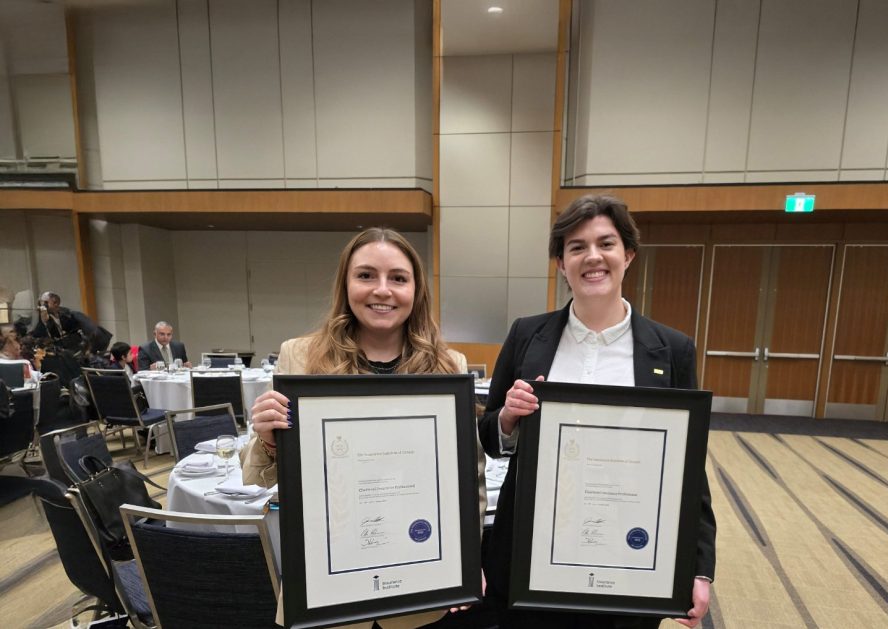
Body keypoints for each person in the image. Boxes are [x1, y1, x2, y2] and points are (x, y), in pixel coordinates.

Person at [478, 195, 716, 629]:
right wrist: (508, 419)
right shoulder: (527, 335)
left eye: (606, 244)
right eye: (576, 247)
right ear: (560, 263)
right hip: (533, 546)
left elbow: (688, 467)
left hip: (629, 549)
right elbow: (488, 434)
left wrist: (698, 566)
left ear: (628, 254)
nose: (592, 257)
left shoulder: (672, 349)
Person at [240, 227, 486, 629]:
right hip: (327, 581)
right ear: (346, 283)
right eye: (366, 275)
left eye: (399, 278)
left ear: (416, 290)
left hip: (418, 576)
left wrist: (465, 559)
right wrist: (267, 442)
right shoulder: (300, 357)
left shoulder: (448, 366)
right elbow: (257, 479)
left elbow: (469, 479)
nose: (382, 290)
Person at [31, 291, 97, 349]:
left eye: (46, 302)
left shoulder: (67, 314)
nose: (44, 305)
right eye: (42, 303)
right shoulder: (39, 316)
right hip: (52, 348)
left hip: (70, 346)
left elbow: (76, 328)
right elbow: (37, 334)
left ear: (56, 303)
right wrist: (43, 321)